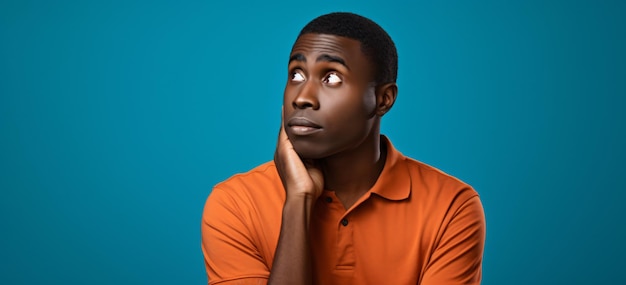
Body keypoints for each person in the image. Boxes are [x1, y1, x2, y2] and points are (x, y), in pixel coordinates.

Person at [201, 12, 485, 285]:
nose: (302, 98)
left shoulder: (451, 207)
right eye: (297, 75)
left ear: (383, 99)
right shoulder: (235, 204)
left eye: (331, 78)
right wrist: (298, 201)